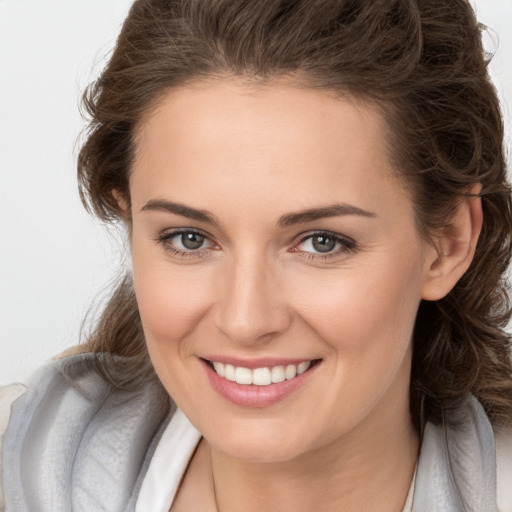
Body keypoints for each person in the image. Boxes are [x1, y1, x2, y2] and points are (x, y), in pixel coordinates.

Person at [1, 0, 512, 510]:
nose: (245, 320)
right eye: (189, 238)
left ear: (447, 243)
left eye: (321, 242)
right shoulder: (20, 470)